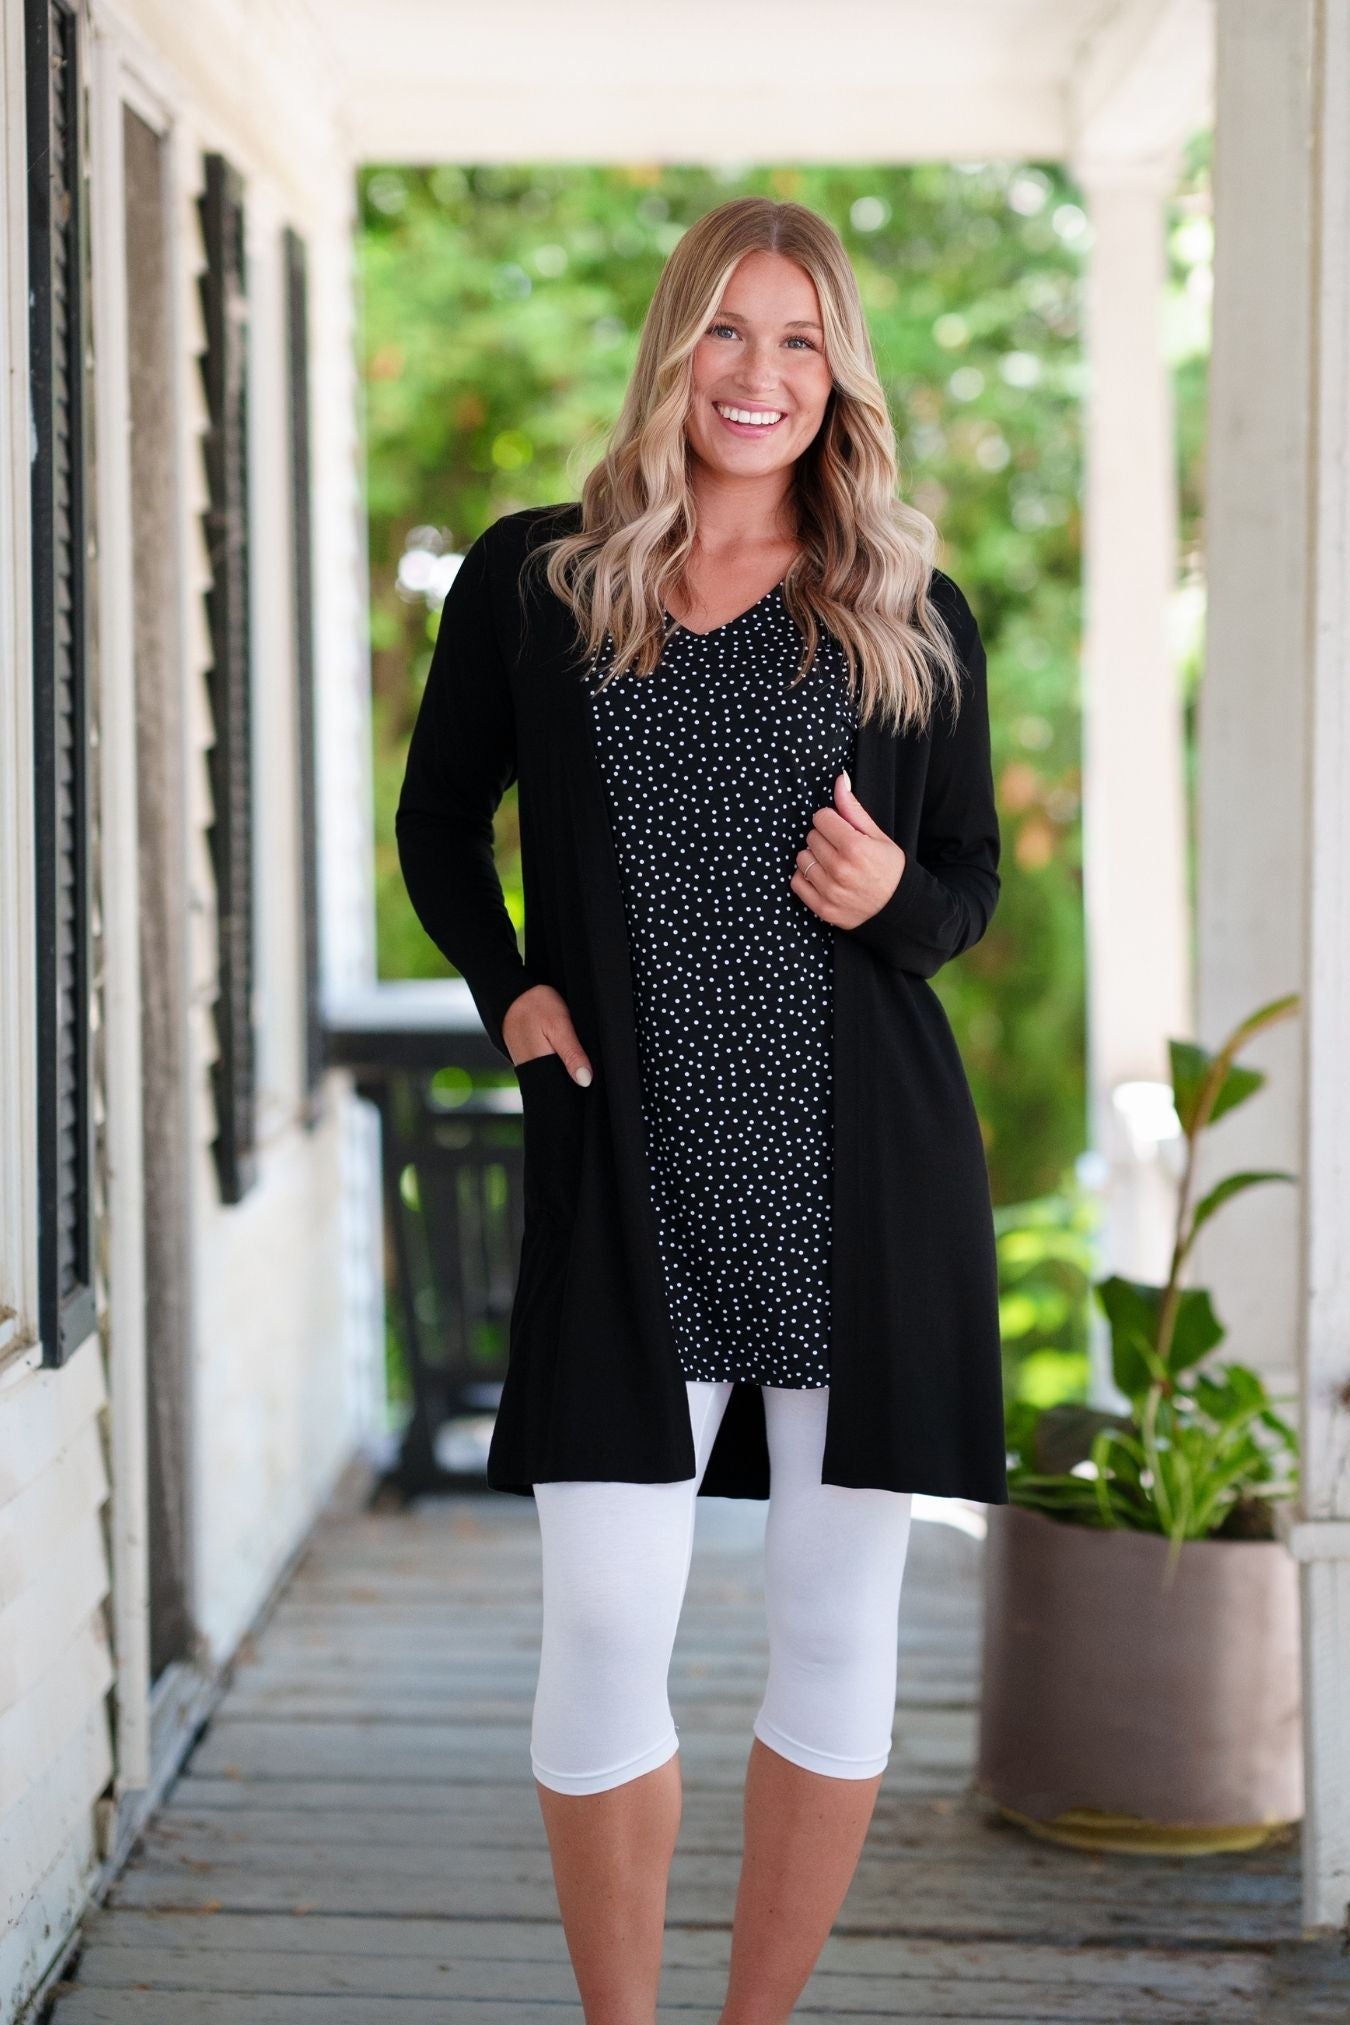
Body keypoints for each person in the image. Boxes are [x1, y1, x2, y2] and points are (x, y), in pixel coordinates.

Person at [395, 194, 1004, 2025]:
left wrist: (889, 897)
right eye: (728, 329)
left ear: (838, 375)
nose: (759, 373)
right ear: (675, 344)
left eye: (799, 339)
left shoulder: (906, 608)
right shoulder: (540, 579)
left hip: (855, 1190)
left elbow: (962, 890)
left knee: (830, 1628)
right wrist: (510, 986)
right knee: (601, 1623)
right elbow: (440, 822)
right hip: (627, 1184)